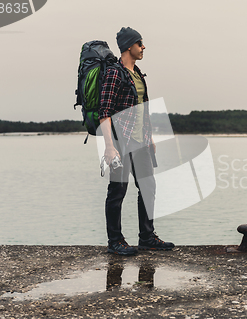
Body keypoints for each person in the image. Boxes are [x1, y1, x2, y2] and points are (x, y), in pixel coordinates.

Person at [98, 27, 174, 255]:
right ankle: (115, 240)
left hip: (140, 142)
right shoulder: (114, 73)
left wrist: (149, 138)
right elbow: (105, 112)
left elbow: (143, 109)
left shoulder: (138, 74)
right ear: (129, 46)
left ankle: (147, 237)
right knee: (118, 190)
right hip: (121, 141)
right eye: (140, 43)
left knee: (148, 187)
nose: (143, 47)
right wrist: (110, 147)